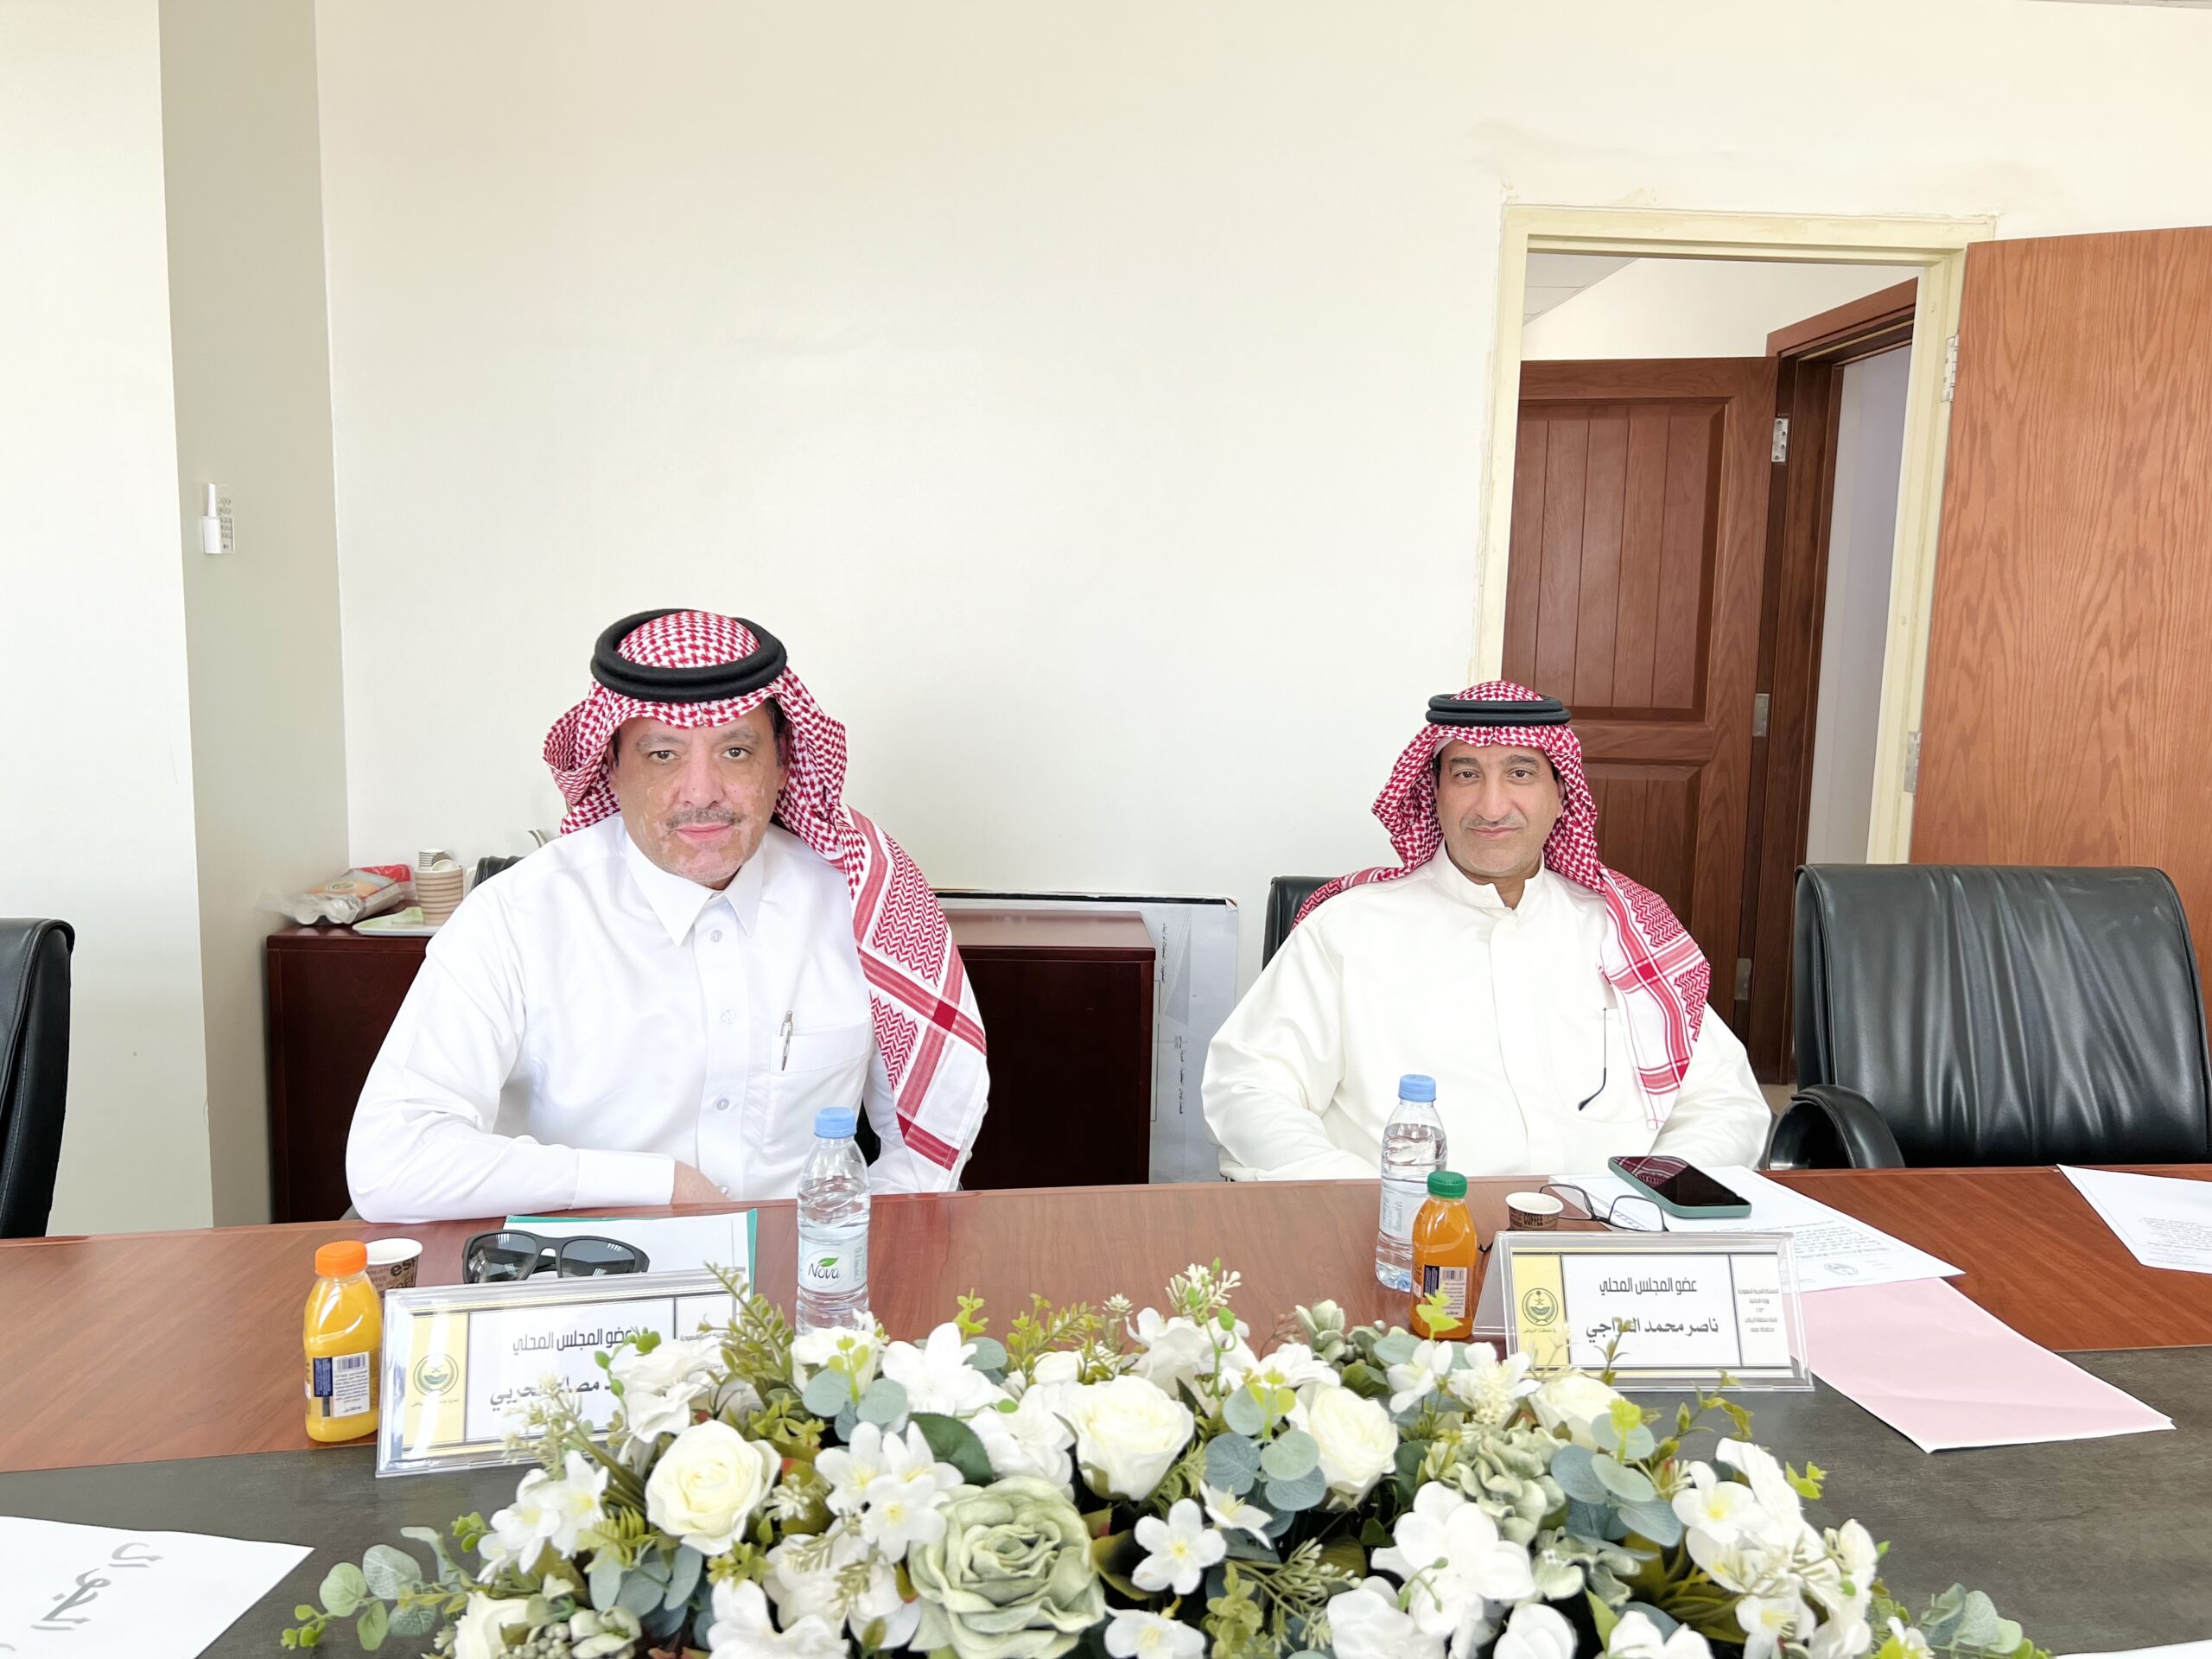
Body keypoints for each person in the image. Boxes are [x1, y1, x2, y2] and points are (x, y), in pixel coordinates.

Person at [347, 608, 988, 1223]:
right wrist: (658, 1186)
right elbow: (391, 1161)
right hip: (588, 1277)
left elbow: (928, 1144)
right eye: (663, 755)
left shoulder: (863, 896)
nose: (702, 792)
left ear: (782, 763)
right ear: (611, 767)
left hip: (802, 1276)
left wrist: (843, 1254)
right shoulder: (516, 917)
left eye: (736, 751)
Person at [1203, 680, 1769, 1181]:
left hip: (1607, 1241)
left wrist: (1648, 1202)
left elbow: (1724, 1103)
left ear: (1561, 795)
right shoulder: (1348, 929)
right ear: (1435, 794)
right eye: (1466, 774)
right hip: (1405, 1242)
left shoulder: (1625, 931)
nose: (1492, 806)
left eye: (1520, 773)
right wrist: (1369, 1201)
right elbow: (1249, 1088)